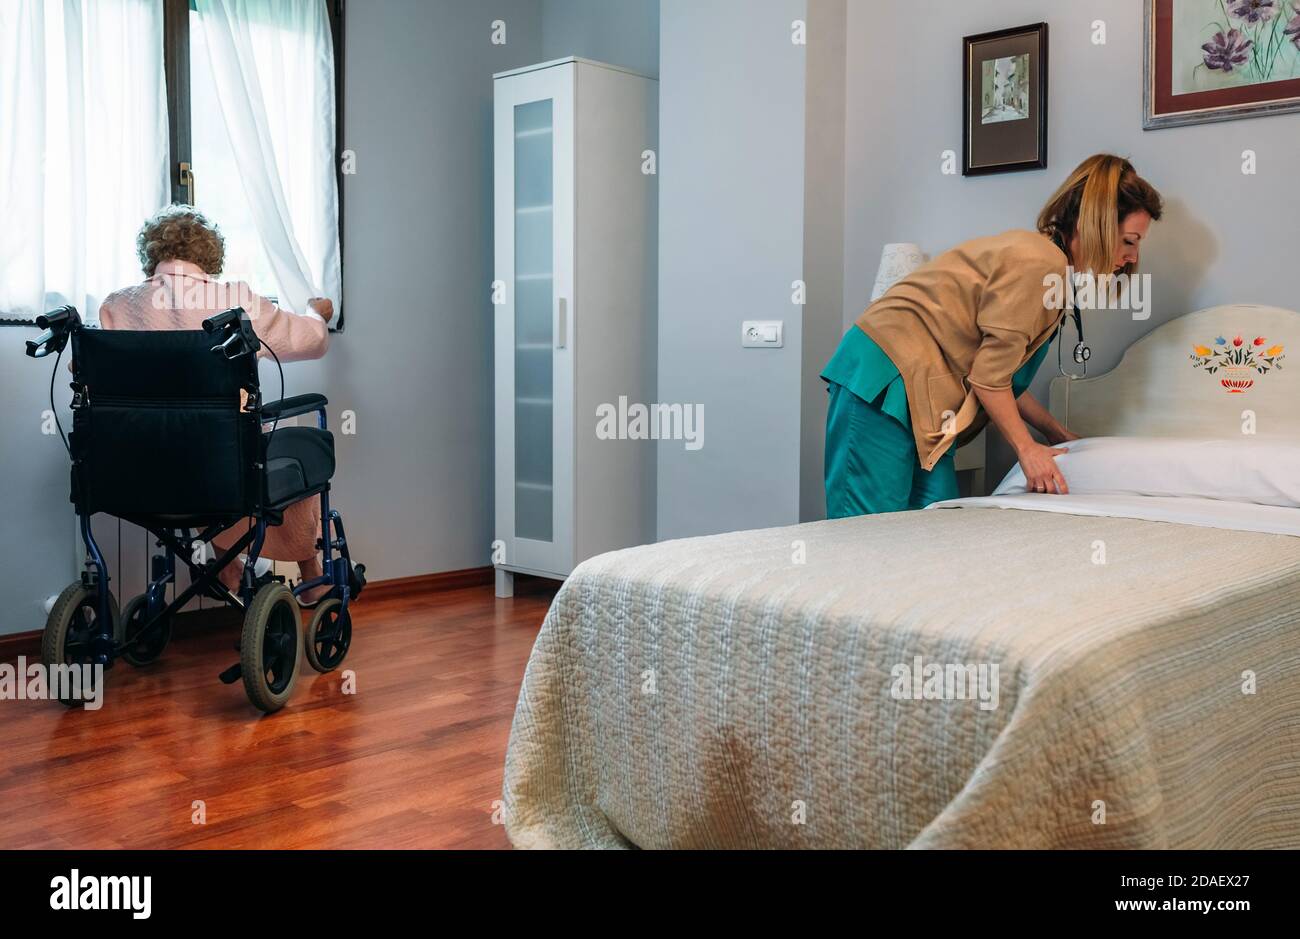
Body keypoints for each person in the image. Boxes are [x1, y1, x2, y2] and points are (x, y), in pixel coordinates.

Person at [822, 153, 1164, 518]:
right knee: (867, 530)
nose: (1132, 257)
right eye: (1129, 241)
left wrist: (1055, 432)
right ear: (1092, 226)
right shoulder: (1038, 263)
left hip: (925, 398)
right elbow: (989, 381)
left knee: (935, 523)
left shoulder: (1053, 275)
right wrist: (1026, 449)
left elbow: (1001, 376)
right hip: (884, 377)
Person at [99, 204, 335, 604]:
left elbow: (92, 372)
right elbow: (312, 342)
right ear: (210, 255)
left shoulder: (118, 305)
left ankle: (227, 563)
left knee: (215, 447)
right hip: (220, 469)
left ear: (151, 254)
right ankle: (311, 571)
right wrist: (317, 312)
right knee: (290, 449)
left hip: (142, 473)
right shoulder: (237, 303)